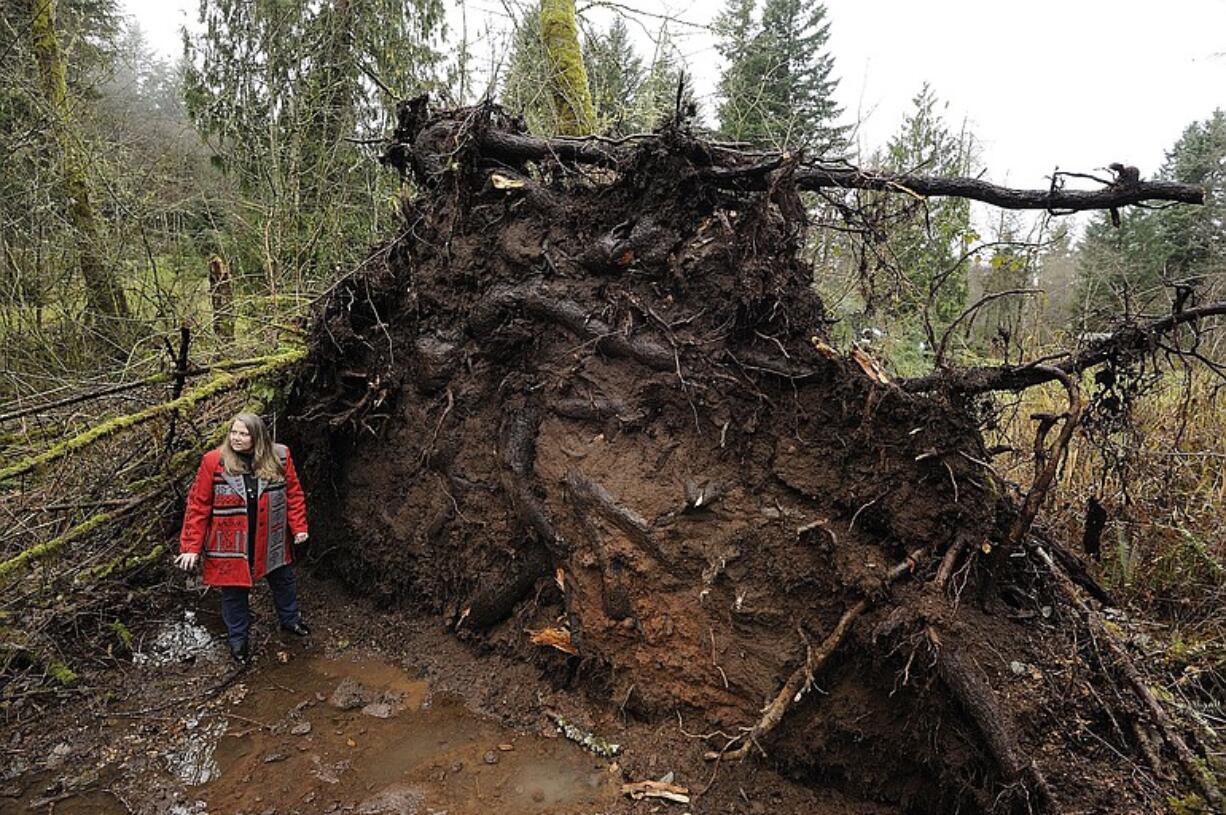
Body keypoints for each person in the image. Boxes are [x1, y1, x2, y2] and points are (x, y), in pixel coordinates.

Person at [175, 412, 310, 665]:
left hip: (271, 535)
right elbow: (198, 506)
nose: (236, 438)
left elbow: (293, 494)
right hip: (229, 541)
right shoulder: (213, 461)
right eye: (234, 432)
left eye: (243, 433)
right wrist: (191, 547)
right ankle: (238, 640)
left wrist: (299, 527)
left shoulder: (280, 455)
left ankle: (291, 621)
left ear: (257, 437)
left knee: (284, 580)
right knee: (233, 591)